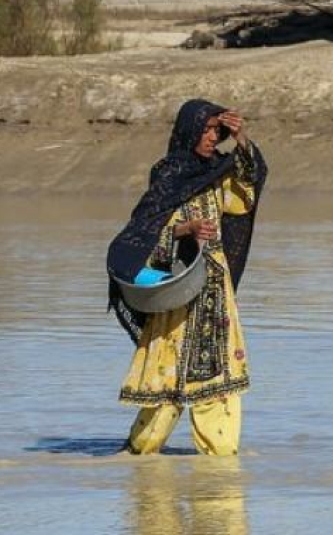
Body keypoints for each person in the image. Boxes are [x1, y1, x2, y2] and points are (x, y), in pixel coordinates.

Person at [107, 98, 267, 456]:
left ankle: (221, 475)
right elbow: (143, 233)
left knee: (218, 387)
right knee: (165, 389)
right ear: (189, 131)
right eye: (206, 130)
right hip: (178, 294)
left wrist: (242, 140)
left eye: (217, 130)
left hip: (215, 293)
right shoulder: (166, 175)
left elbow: (245, 199)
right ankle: (140, 461)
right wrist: (183, 230)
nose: (212, 137)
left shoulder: (219, 174)